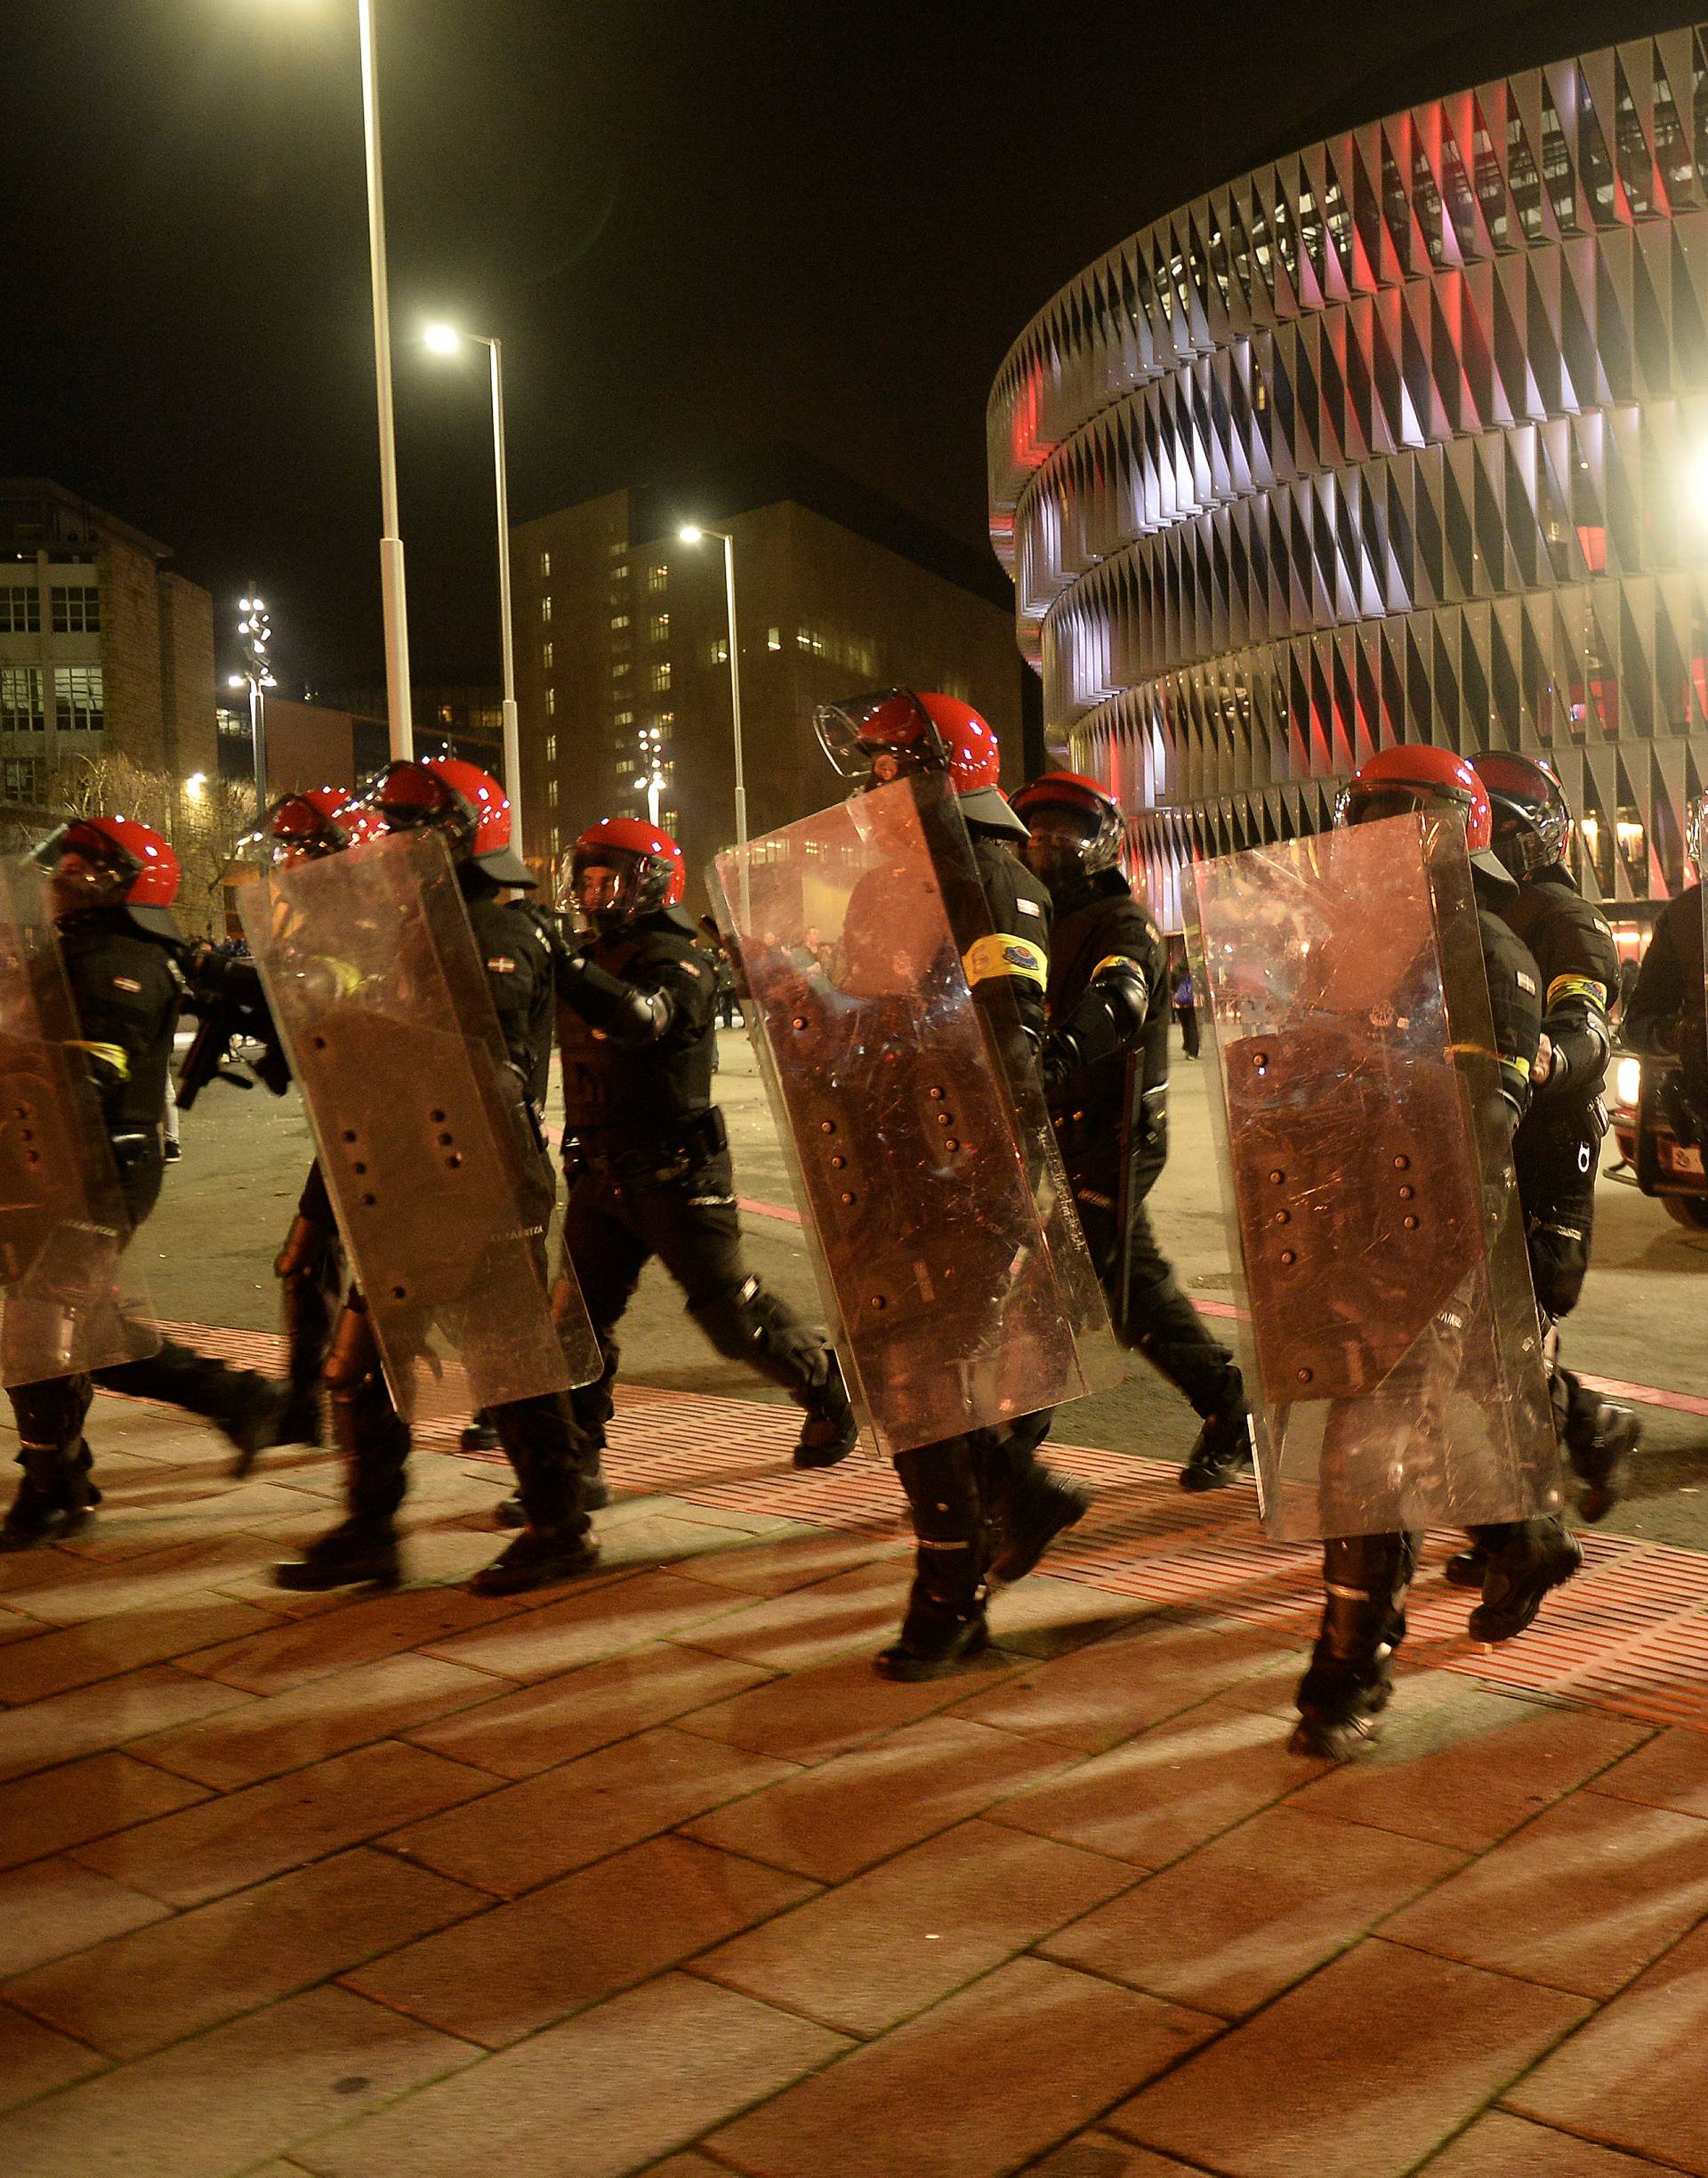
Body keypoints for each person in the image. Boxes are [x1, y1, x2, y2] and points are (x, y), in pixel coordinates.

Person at [1289, 746, 1580, 1758]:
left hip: (1434, 1237)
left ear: (1465, 836)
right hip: (1348, 1230)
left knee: (1366, 1451)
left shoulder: (1488, 950)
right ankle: (1523, 1539)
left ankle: (1347, 1676)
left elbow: (1479, 1122)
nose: (1385, 840)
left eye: (1409, 819)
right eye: (1371, 817)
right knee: (1418, 1435)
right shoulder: (1344, 944)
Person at [272, 757, 602, 1596]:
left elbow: (462, 1059)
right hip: (408, 1167)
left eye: (411, 826)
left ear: (460, 836)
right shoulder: (415, 927)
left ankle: (561, 1527)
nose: (390, 841)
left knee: (510, 1364)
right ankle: (370, 1530)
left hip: (478, 1169)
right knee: (360, 1363)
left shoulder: (499, 931)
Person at [810, 688, 1067, 1679]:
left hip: (964, 1168)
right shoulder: (895, 880)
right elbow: (871, 1007)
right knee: (905, 1375)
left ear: (935, 772)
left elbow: (1008, 1042)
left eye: (886, 769)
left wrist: (966, 1166)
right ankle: (1021, 1499)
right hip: (892, 1162)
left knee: (925, 1384)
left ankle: (951, 1599)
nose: (873, 788)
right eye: (870, 770)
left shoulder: (992, 879)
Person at [2, 818, 286, 1547]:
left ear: (116, 882)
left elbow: (95, 1068)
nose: (59, 877)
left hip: (97, 1170)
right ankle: (239, 1400)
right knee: (93, 1334)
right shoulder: (73, 950)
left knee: (40, 1327)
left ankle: (54, 1487)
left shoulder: (121, 959)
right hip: (47, 1162)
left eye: (77, 867)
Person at [552, 815, 858, 1485]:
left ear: (649, 885)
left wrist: (563, 966)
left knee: (730, 1321)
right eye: (588, 880)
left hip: (675, 1172)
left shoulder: (680, 955)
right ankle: (572, 1473)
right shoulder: (587, 959)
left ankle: (825, 1384)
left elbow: (644, 1019)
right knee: (572, 1327)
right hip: (599, 1172)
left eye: (608, 881)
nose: (594, 893)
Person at [1012, 771, 1252, 1496]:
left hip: (1114, 1136)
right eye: (1040, 833)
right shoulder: (1027, 915)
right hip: (1048, 1129)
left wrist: (1057, 1052)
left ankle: (1006, 1465)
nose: (1052, 845)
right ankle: (1231, 1409)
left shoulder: (1123, 922)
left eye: (1069, 833)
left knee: (1051, 1294)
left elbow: (1119, 998)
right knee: (1129, 1289)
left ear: (1102, 845)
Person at [1457, 751, 1636, 1527]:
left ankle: (1517, 1528)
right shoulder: (1467, 911)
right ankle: (1589, 1431)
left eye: (1507, 828)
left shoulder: (1565, 920)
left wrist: (1546, 1057)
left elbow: (1587, 1021)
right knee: (1480, 1334)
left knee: (1513, 1329)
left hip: (1551, 1142)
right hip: (1477, 1132)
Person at [1172, 953, 1200, 1058]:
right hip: (1194, 1002)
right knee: (1193, 1025)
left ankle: (1187, 1046)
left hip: (1181, 1003)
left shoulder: (1176, 971)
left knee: (1185, 1026)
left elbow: (1173, 986)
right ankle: (1193, 1050)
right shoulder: (1196, 972)